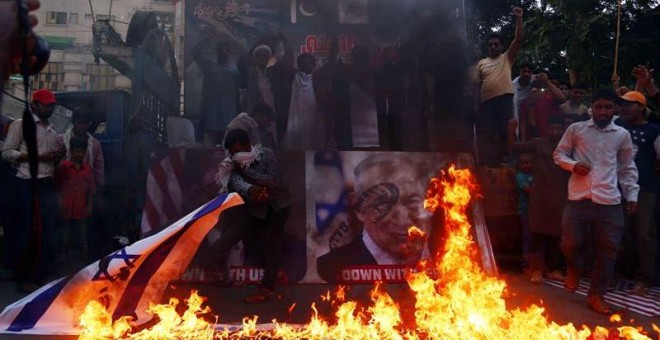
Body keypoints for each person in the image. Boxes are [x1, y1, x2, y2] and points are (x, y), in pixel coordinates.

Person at [553, 89, 639, 315]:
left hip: (609, 200)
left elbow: (627, 167)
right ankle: (573, 267)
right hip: (578, 198)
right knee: (569, 243)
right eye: (599, 107)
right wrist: (573, 165)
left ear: (615, 109)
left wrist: (632, 194)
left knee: (609, 250)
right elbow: (559, 154)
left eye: (608, 107)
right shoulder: (576, 129)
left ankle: (596, 295)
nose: (603, 111)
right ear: (592, 107)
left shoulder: (622, 135)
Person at [316, 154, 433, 282]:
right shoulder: (330, 268)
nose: (402, 218)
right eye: (384, 205)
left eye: (412, 202)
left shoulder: (449, 262)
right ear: (358, 207)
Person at [214, 129, 292, 302]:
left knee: (272, 244)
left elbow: (272, 180)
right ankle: (273, 272)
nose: (234, 156)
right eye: (232, 153)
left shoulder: (266, 155)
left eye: (237, 151)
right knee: (248, 241)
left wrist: (250, 177)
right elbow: (236, 182)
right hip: (255, 209)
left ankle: (267, 288)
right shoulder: (232, 165)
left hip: (278, 206)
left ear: (247, 145)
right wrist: (251, 189)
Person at [1, 89, 64, 293]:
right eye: (46, 104)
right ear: (34, 105)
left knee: (47, 233)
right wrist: (36, 157)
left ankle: (39, 275)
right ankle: (23, 277)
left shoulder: (52, 131)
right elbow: (7, 152)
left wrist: (57, 156)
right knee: (26, 232)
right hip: (27, 183)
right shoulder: (20, 125)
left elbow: (51, 160)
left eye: (52, 104)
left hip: (46, 184)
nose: (50, 108)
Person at [509, 115, 573, 285]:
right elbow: (514, 147)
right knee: (537, 234)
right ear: (546, 129)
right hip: (539, 198)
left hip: (561, 198)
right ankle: (536, 269)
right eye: (552, 128)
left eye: (558, 128)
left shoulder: (570, 147)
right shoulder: (538, 143)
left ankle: (554, 270)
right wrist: (511, 130)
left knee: (557, 236)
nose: (555, 132)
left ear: (564, 129)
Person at [614, 90, 659, 296]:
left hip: (645, 188)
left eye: (628, 104)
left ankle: (644, 279)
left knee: (644, 234)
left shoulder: (654, 131)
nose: (623, 108)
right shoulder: (617, 126)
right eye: (621, 104)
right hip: (616, 188)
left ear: (641, 107)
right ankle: (624, 272)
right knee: (621, 233)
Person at [475, 6, 523, 166]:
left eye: (496, 44)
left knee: (506, 130)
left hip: (504, 100)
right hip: (486, 103)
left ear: (501, 46)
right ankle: (489, 162)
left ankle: (510, 161)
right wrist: (476, 104)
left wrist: (519, 18)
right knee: (488, 133)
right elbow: (476, 84)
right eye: (490, 44)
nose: (493, 47)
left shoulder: (506, 58)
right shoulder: (481, 63)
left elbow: (518, 39)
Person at [55, 135, 95, 271]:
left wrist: (90, 205)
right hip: (65, 210)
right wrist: (59, 200)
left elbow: (90, 189)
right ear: (71, 151)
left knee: (82, 240)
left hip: (81, 210)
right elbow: (56, 186)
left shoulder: (87, 169)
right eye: (78, 151)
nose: (80, 154)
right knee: (64, 240)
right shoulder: (63, 167)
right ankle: (62, 268)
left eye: (83, 152)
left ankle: (81, 268)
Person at [192, 38, 240, 147]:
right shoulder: (209, 66)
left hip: (229, 116)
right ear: (217, 51)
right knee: (208, 151)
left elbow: (239, 93)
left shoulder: (234, 71)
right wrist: (207, 40)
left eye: (226, 50)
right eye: (221, 49)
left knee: (229, 153)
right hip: (211, 115)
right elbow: (195, 52)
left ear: (229, 52)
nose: (224, 52)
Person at [281, 53, 324, 150]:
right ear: (299, 65)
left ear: (313, 64)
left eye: (309, 62)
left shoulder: (317, 78)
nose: (306, 64)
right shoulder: (293, 76)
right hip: (296, 114)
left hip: (313, 115)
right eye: (303, 62)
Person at [62, 107, 104, 189]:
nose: (83, 126)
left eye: (86, 123)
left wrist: (99, 192)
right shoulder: (61, 141)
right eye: (80, 123)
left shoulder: (95, 144)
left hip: (86, 185)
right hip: (66, 185)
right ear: (73, 122)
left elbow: (99, 170)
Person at [518, 72, 566, 141]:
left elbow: (562, 99)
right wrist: (523, 142)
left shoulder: (551, 97)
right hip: (533, 141)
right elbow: (523, 124)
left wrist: (547, 82)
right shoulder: (525, 101)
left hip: (552, 138)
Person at [514, 152, 533, 274]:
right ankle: (526, 262)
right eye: (522, 163)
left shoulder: (535, 175)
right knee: (526, 236)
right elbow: (528, 191)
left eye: (528, 162)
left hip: (535, 210)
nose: (525, 165)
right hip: (525, 210)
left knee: (534, 236)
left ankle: (534, 262)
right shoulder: (520, 176)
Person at [512, 61, 534, 127]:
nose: (526, 74)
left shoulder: (534, 86)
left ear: (532, 73)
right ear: (520, 72)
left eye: (529, 72)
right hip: (513, 121)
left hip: (528, 123)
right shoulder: (510, 86)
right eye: (524, 71)